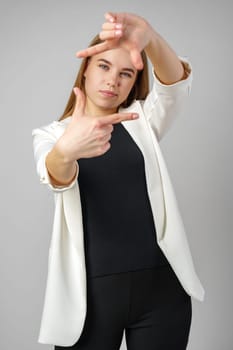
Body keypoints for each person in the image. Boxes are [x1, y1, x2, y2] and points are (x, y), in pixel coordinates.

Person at [32, 12, 204, 350]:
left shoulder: (142, 121)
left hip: (162, 291)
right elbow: (54, 173)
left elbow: (175, 85)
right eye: (104, 66)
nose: (114, 80)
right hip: (90, 300)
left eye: (126, 73)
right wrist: (67, 150)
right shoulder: (52, 135)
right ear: (86, 69)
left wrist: (150, 37)